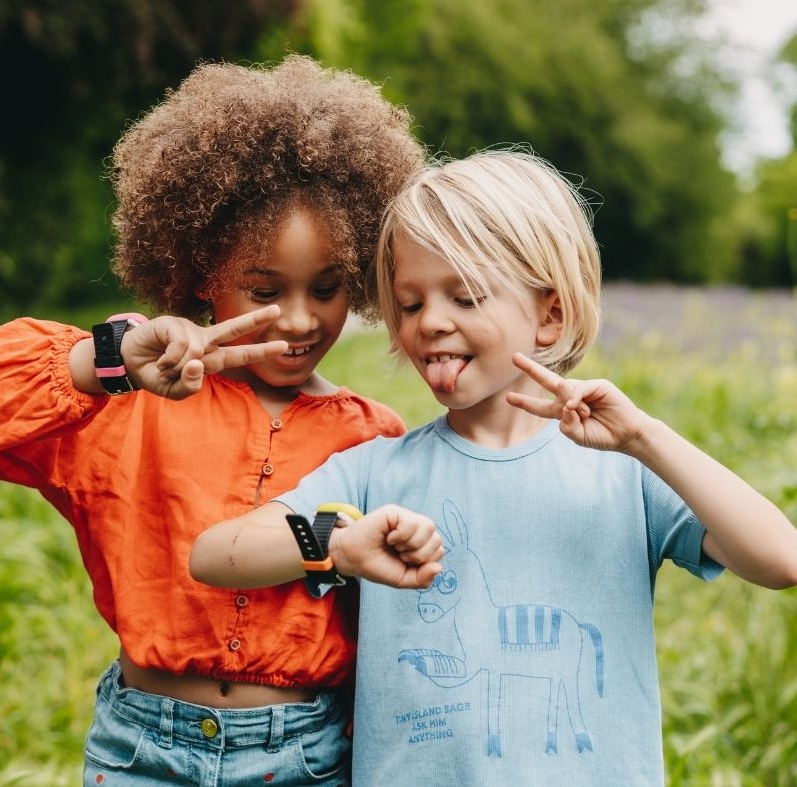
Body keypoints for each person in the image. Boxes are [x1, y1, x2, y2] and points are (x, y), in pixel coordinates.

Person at [189, 148, 797, 785]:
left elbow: (780, 560)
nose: (432, 323)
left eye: (466, 297)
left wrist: (645, 438)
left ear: (549, 316)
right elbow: (216, 554)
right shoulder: (375, 471)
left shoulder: (624, 472)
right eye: (411, 304)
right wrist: (337, 545)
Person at [0, 55, 428, 786]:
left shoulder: (371, 434)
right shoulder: (128, 405)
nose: (298, 319)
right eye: (264, 290)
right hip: (141, 753)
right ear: (198, 273)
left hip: (307, 756)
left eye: (326, 289)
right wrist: (111, 360)